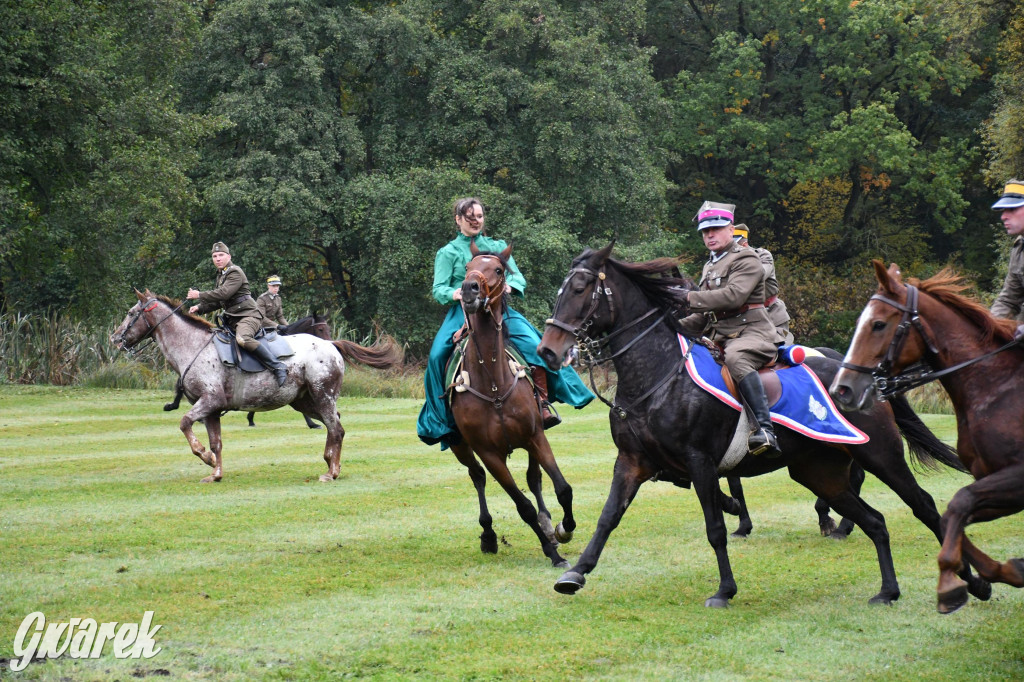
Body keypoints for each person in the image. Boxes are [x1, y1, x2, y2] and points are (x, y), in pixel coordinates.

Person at [416, 198, 594, 450]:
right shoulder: (448, 252)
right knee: (436, 357)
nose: (475, 220)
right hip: (463, 312)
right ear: (458, 220)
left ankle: (543, 404)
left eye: (479, 216)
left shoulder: (497, 246)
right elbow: (438, 288)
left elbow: (517, 276)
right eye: (469, 217)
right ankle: (443, 420)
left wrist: (513, 285)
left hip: (498, 309)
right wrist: (454, 293)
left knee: (536, 345)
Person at [677, 202, 781, 457]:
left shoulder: (746, 257)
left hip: (752, 334)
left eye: (715, 229)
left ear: (730, 229)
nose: (709, 235)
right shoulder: (710, 265)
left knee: (736, 357)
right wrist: (668, 326)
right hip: (719, 335)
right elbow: (704, 317)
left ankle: (765, 430)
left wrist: (687, 298)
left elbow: (733, 297)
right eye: (705, 231)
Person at [186, 242, 287, 386]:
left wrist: (199, 294)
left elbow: (224, 293)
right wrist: (199, 308)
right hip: (233, 319)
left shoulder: (235, 272)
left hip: (249, 315)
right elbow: (220, 301)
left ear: (229, 256)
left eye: (221, 255)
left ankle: (277, 366)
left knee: (243, 338)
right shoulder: (221, 275)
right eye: (214, 256)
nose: (218, 258)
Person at [732, 224, 794, 345]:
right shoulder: (728, 262)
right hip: (744, 318)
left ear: (744, 244)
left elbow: (759, 274)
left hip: (772, 314)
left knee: (780, 354)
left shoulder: (763, 255)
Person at [989, 180, 1024, 331]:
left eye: (1012, 209)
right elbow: (1009, 300)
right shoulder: (1019, 248)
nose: (1003, 216)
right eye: (1004, 210)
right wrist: (988, 326)